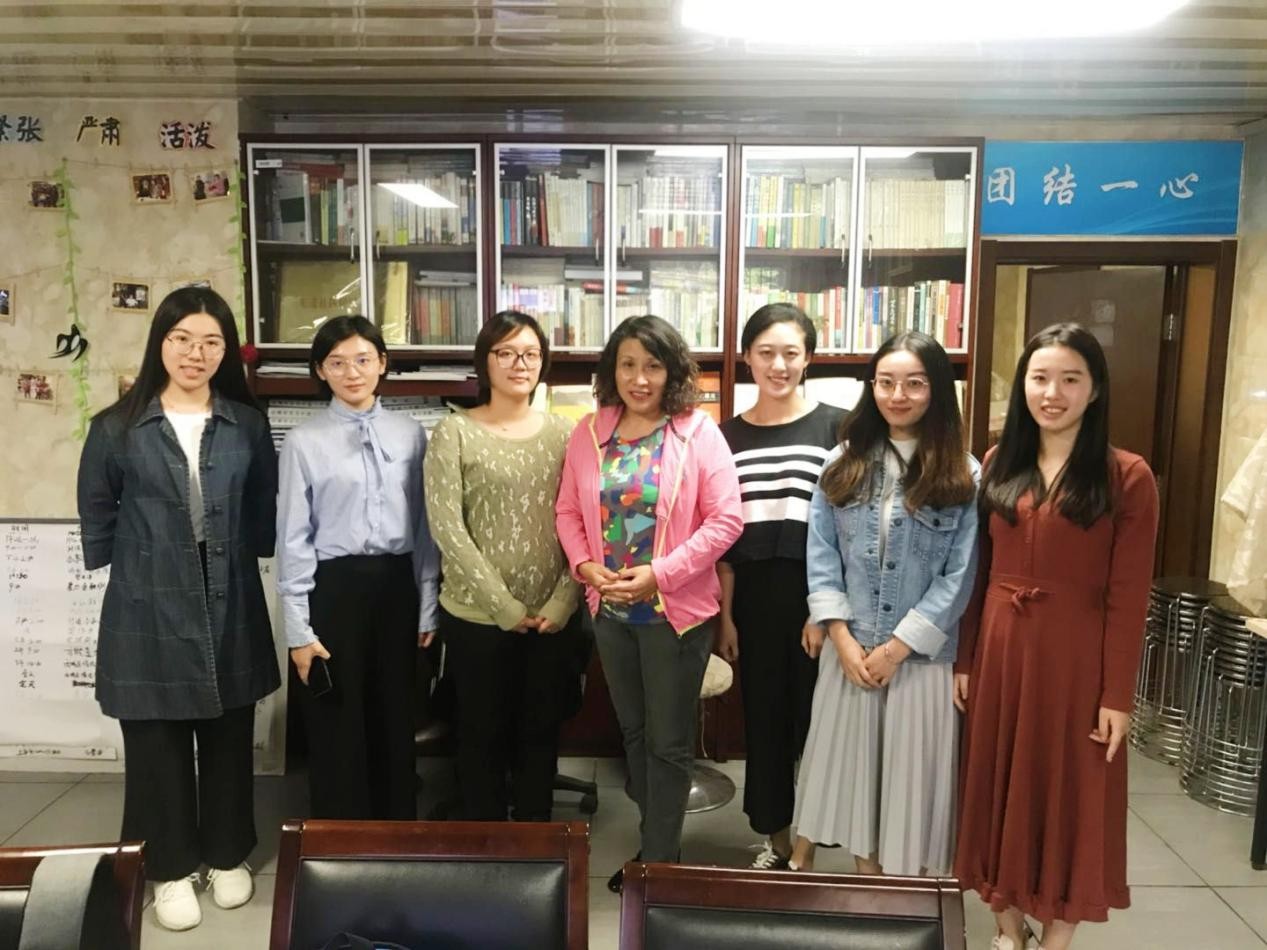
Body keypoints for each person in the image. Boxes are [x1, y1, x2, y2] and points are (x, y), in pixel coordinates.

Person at [77, 286, 277, 932]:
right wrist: (139, 562)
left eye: (212, 342)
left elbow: (262, 508)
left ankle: (226, 853)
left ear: (227, 351)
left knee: (228, 735)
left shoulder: (246, 424)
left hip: (228, 593)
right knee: (156, 742)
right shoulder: (116, 426)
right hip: (148, 599)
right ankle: (167, 867)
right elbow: (97, 509)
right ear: (159, 343)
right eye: (182, 339)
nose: (196, 353)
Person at [954, 323, 1159, 950]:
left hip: (1077, 658)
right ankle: (1007, 927)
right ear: (1023, 385)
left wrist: (1117, 694)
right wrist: (966, 658)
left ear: (1094, 390)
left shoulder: (1127, 476)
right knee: (998, 783)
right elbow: (978, 570)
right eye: (1040, 378)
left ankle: (1057, 937)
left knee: (1073, 791)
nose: (1053, 393)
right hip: (1001, 650)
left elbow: (1129, 596)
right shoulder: (999, 461)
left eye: (1071, 379)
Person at [555, 314, 743, 893]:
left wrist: (660, 575)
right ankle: (658, 842)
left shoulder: (698, 432)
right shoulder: (590, 432)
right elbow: (567, 510)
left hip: (674, 617)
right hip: (611, 614)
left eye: (653, 366)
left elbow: (726, 520)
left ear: (672, 372)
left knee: (667, 743)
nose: (640, 379)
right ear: (612, 370)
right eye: (628, 365)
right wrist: (584, 565)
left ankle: (659, 866)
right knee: (634, 736)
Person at [789, 331, 979, 878]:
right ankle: (865, 887)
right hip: (849, 649)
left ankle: (902, 897)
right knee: (851, 780)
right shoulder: (842, 462)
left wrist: (896, 649)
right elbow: (821, 554)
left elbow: (960, 576)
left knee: (909, 789)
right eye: (886, 382)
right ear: (871, 386)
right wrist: (841, 637)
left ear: (936, 389)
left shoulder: (963, 472)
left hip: (919, 658)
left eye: (914, 384)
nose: (898, 395)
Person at [276, 315, 439, 822]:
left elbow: (424, 529)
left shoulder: (411, 435)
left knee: (395, 712)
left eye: (363, 360)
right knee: (337, 716)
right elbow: (293, 537)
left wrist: (428, 607)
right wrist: (298, 631)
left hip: (397, 586)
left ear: (382, 364)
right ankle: (339, 834)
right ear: (320, 371)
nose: (352, 372)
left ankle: (396, 831)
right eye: (337, 363)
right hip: (334, 590)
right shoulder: (303, 441)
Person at [424, 310, 580, 821]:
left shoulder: (568, 435)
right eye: (506, 353)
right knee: (480, 738)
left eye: (531, 354)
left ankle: (537, 844)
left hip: (552, 617)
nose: (520, 363)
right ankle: (487, 846)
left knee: (540, 734)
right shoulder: (454, 432)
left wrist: (563, 599)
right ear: (485, 361)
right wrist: (504, 606)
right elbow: (447, 528)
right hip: (477, 617)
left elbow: (585, 523)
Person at [715, 303, 845, 869]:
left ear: (808, 357)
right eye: (766, 352)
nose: (779, 364)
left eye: (791, 352)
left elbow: (849, 524)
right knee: (764, 717)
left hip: (820, 590)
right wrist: (726, 616)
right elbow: (723, 536)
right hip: (752, 594)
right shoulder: (725, 437)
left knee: (820, 719)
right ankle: (776, 835)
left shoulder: (839, 427)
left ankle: (815, 835)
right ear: (747, 357)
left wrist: (826, 609)